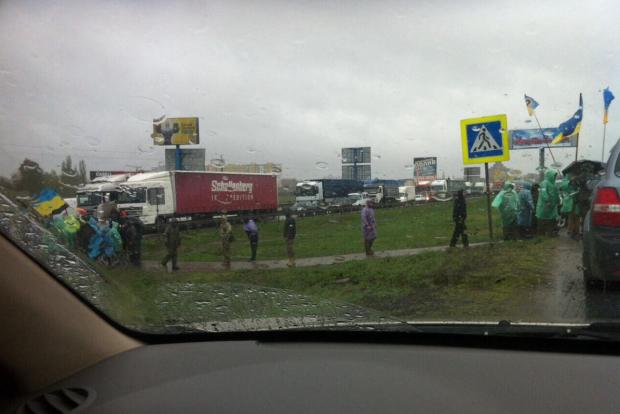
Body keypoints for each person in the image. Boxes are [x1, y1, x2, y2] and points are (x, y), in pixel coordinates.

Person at [536, 169, 560, 236]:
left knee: (551, 220)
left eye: (555, 175)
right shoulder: (544, 183)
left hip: (552, 206)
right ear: (550, 175)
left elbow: (556, 193)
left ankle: (550, 233)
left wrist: (558, 200)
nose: (555, 177)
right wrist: (547, 201)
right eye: (554, 175)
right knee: (542, 219)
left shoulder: (554, 184)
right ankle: (541, 234)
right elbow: (544, 192)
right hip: (545, 205)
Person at [559, 174, 580, 240]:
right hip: (575, 202)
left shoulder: (565, 183)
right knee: (576, 217)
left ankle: (571, 231)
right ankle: (575, 232)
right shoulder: (572, 183)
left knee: (571, 217)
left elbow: (561, 188)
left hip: (570, 203)